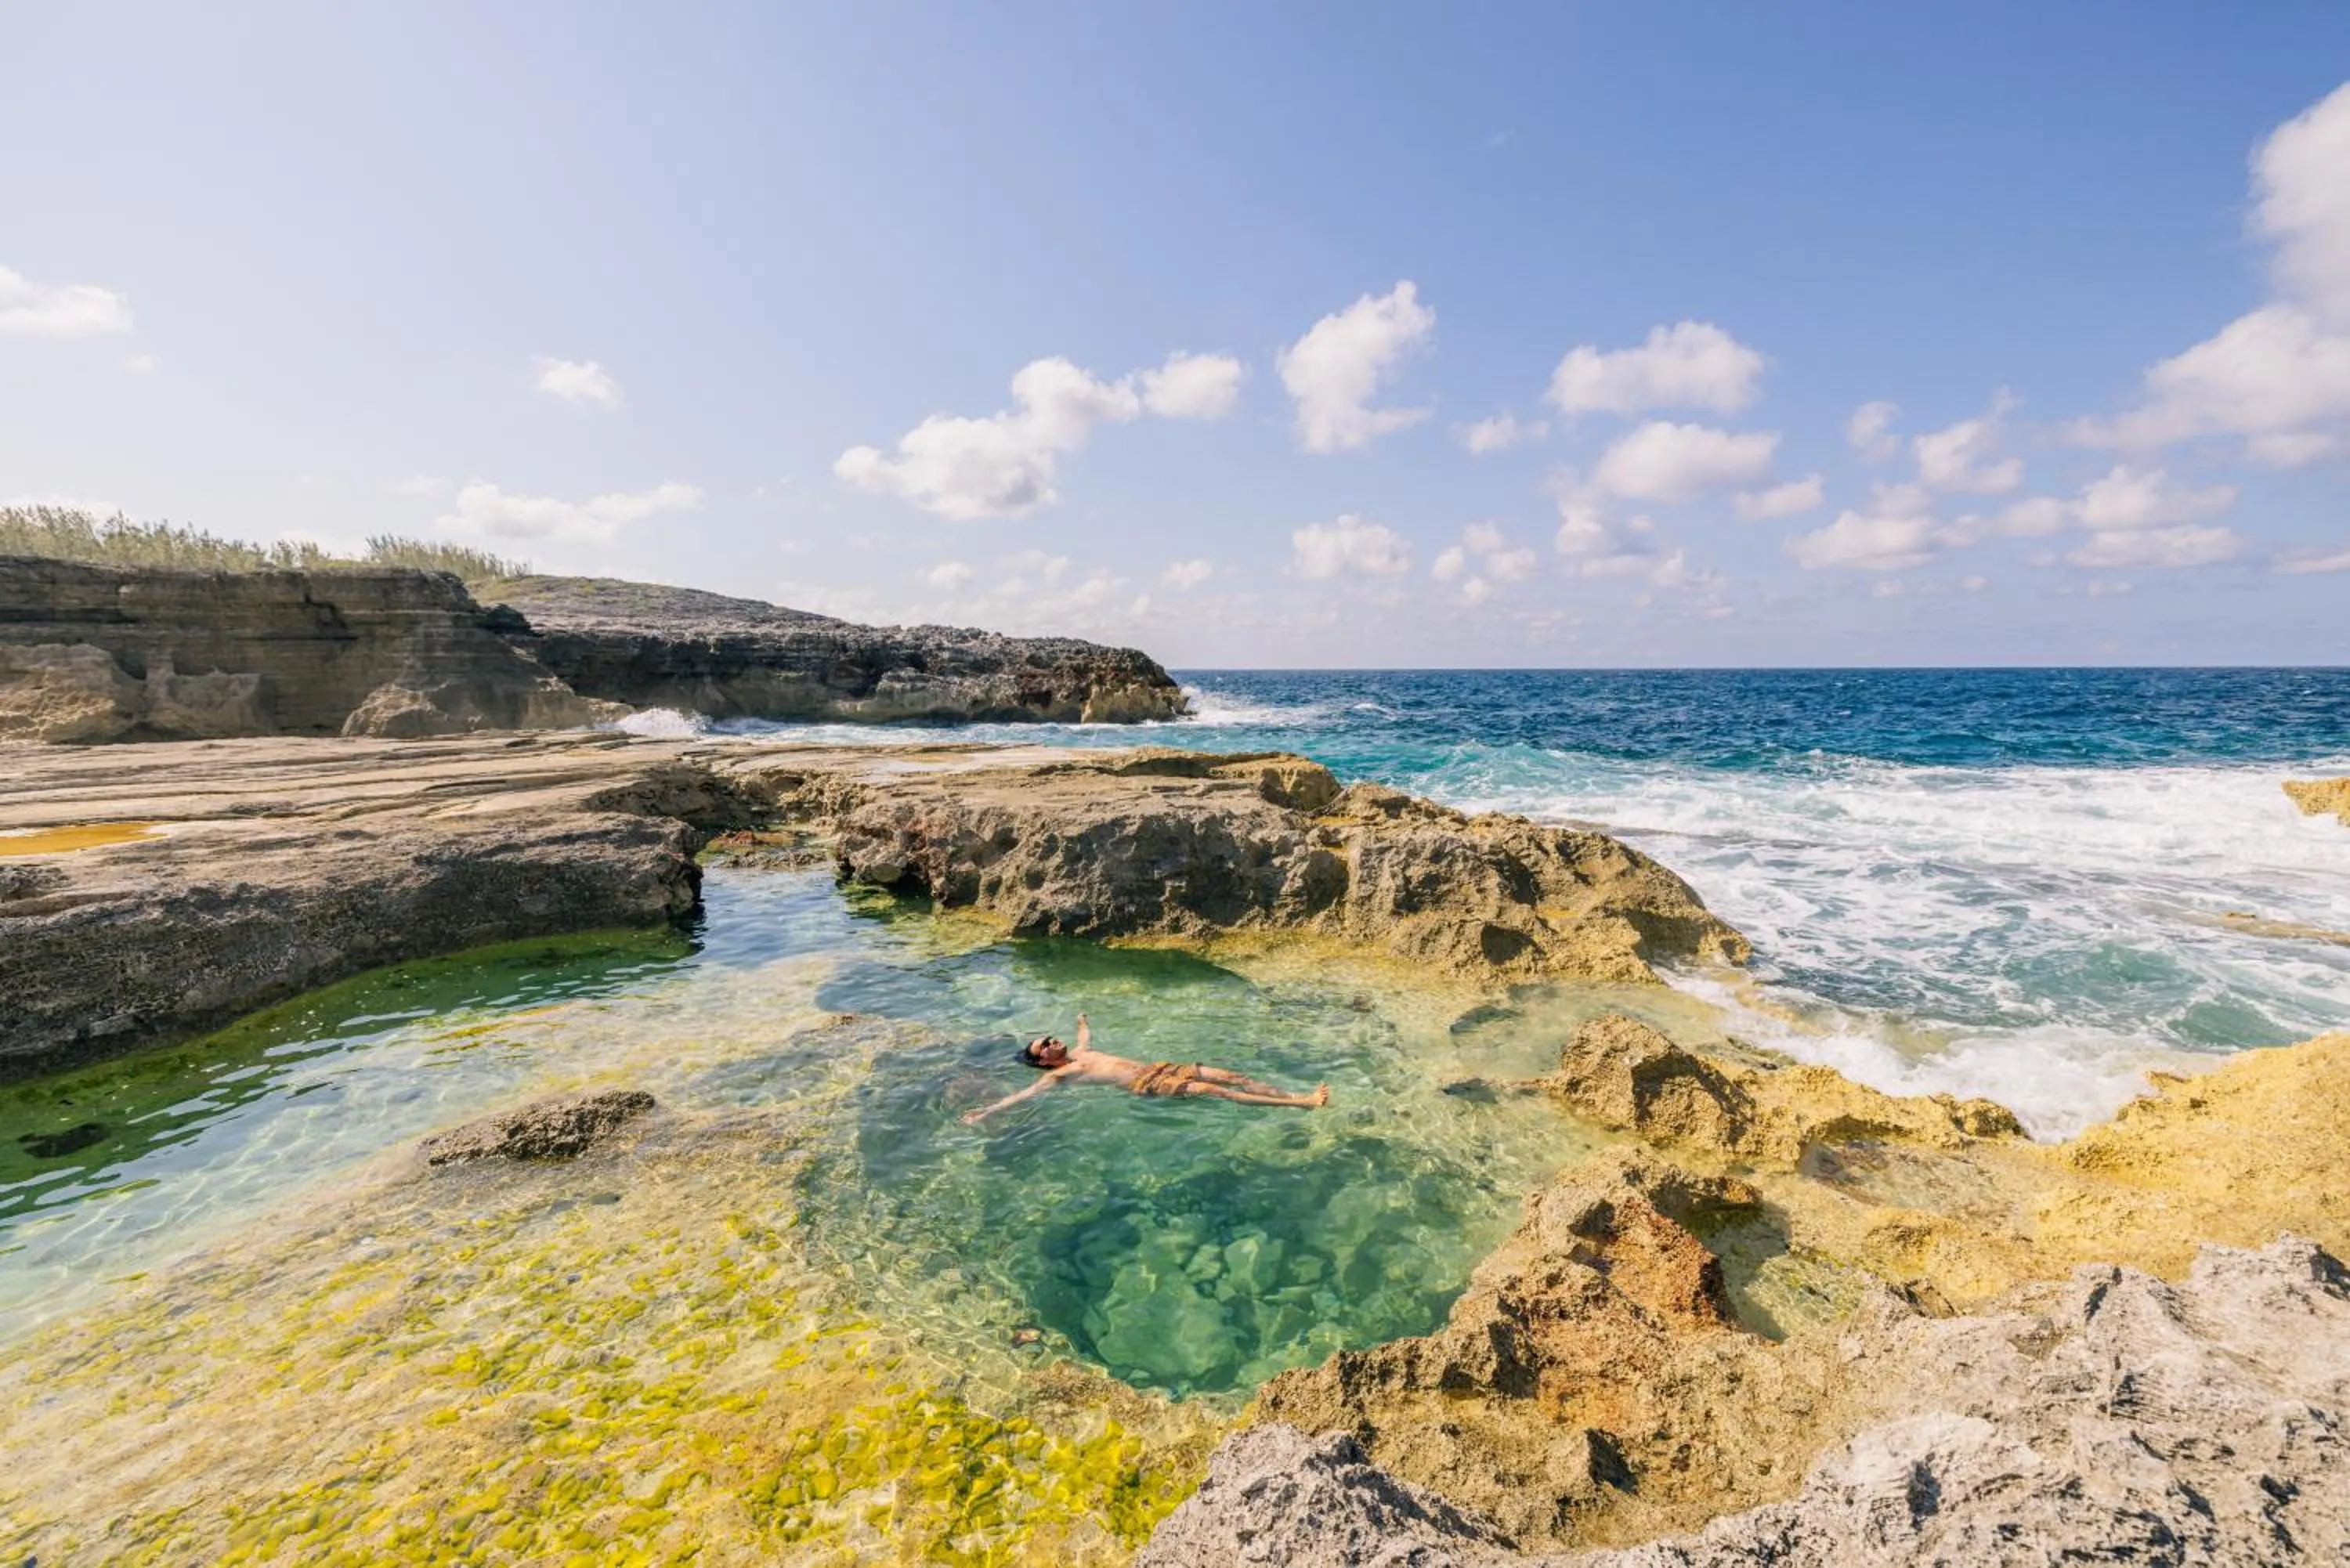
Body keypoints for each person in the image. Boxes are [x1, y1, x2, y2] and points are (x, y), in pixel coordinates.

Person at [960, 1013, 1329, 1125]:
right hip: (1148, 1085)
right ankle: (1304, 1104)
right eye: (1046, 1044)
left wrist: (1082, 1020)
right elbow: (1024, 1095)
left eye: (1052, 1038)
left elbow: (1086, 1033)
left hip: (1161, 1067)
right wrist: (986, 1112)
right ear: (1043, 1060)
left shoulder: (1080, 1052)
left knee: (1235, 1077)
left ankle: (1292, 1094)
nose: (1054, 1041)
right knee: (1223, 1092)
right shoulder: (1059, 1074)